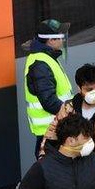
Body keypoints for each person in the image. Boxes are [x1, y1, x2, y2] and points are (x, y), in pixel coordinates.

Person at [24, 19, 73, 157]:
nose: (63, 41)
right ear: (50, 41)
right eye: (60, 37)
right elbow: (49, 101)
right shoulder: (40, 63)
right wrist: (73, 115)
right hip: (51, 134)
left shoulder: (46, 58)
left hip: (57, 130)